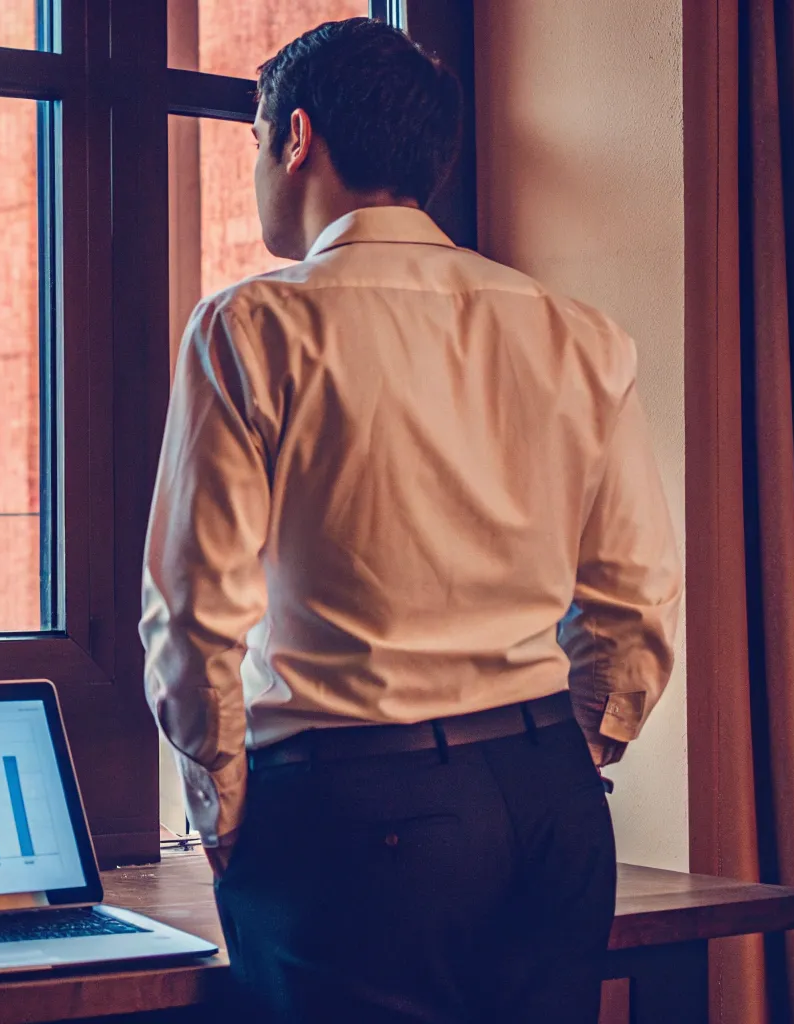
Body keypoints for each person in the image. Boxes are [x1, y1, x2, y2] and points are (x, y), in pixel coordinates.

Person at [140, 18, 682, 1024]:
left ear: (293, 137)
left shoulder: (251, 325)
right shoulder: (574, 331)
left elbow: (192, 617)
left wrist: (223, 811)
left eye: (255, 134)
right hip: (546, 807)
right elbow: (634, 601)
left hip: (354, 811)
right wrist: (566, 757)